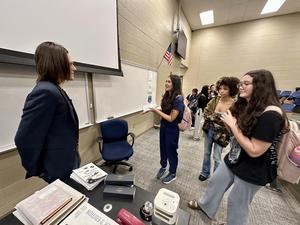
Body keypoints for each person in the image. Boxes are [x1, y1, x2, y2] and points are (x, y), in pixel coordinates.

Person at [188, 69, 286, 225]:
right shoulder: (247, 105)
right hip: (236, 156)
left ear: (261, 86)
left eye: (246, 83)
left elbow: (255, 150)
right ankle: (205, 205)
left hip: (254, 168)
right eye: (241, 83)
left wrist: (233, 126)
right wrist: (229, 124)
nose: (241, 86)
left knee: (237, 202)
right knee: (216, 181)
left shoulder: (272, 115)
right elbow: (236, 135)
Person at [15, 41, 80, 183]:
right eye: (70, 64)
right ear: (57, 64)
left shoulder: (54, 89)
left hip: (67, 161)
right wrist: (40, 170)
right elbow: (24, 138)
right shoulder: (45, 92)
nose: (74, 68)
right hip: (57, 168)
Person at [198, 77, 239, 181]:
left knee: (217, 157)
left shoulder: (234, 104)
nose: (221, 91)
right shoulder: (215, 100)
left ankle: (216, 178)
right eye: (220, 88)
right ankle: (205, 172)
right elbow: (206, 112)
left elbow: (233, 122)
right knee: (206, 153)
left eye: (225, 88)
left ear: (231, 89)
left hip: (223, 134)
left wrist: (215, 118)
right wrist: (219, 119)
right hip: (209, 130)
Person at [149, 74, 184, 184]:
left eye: (169, 82)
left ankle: (172, 173)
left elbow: (171, 118)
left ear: (175, 84)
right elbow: (165, 109)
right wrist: (151, 109)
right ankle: (163, 166)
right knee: (163, 148)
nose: (166, 83)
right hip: (163, 126)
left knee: (171, 151)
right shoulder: (167, 95)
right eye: (166, 81)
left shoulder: (178, 99)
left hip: (172, 128)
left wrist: (156, 111)